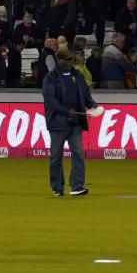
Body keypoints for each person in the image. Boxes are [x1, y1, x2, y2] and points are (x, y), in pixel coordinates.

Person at [42, 47, 97, 197]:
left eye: (71, 60)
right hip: (58, 123)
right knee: (56, 156)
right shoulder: (50, 78)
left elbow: (85, 93)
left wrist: (91, 103)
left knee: (78, 153)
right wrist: (67, 111)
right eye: (67, 60)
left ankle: (77, 186)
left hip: (75, 122)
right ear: (59, 60)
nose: (70, 62)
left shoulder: (77, 75)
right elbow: (50, 100)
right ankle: (57, 187)